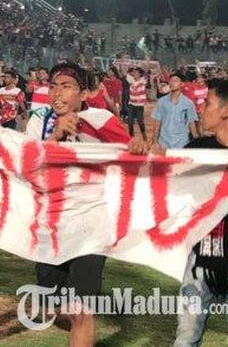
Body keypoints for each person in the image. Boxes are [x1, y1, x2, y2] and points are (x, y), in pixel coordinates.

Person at [25, 62, 144, 347]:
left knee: (81, 310)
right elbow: (28, 166)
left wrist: (139, 144)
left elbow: (131, 152)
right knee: (53, 303)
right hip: (51, 223)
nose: (57, 93)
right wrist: (55, 138)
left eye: (66, 86)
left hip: (92, 223)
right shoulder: (38, 122)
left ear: (83, 94)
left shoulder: (100, 119)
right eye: (53, 86)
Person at [172, 78, 228, 347]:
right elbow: (163, 182)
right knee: (186, 337)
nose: (201, 108)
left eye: (208, 103)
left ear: (225, 111)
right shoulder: (196, 149)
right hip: (200, 258)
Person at [151, 72, 199, 150]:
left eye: (175, 81)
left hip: (182, 143)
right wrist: (154, 141)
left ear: (182, 84)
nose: (172, 83)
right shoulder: (161, 102)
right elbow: (157, 122)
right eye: (171, 81)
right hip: (163, 142)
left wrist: (197, 143)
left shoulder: (188, 103)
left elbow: (192, 124)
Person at [126, 67, 148, 141]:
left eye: (136, 72)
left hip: (139, 105)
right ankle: (130, 137)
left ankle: (144, 136)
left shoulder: (143, 81)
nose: (134, 73)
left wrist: (147, 62)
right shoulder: (131, 80)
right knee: (130, 121)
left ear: (140, 74)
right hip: (131, 104)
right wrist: (123, 62)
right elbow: (124, 73)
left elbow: (146, 72)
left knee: (140, 121)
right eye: (133, 72)